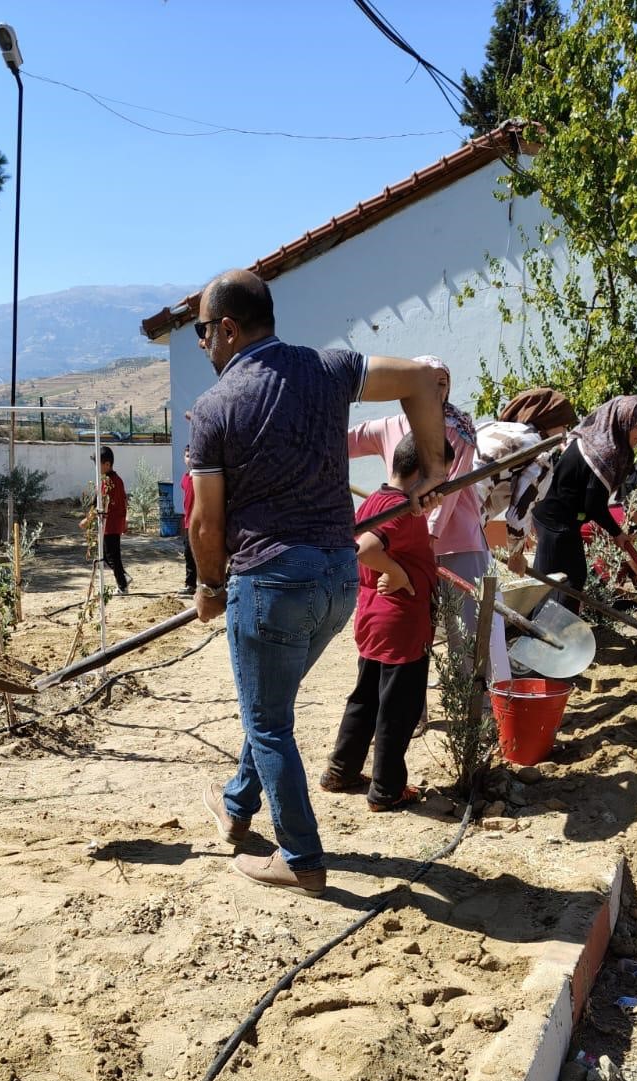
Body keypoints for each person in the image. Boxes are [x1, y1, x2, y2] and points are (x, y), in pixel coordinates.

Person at [187, 267, 447, 897]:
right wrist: (435, 468)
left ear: (228, 328)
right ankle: (237, 805)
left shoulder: (215, 407)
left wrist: (209, 586)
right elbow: (420, 379)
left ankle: (301, 857)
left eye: (202, 331)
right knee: (269, 704)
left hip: (271, 582)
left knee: (268, 722)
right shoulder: (328, 368)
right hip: (336, 579)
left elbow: (205, 521)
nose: (201, 344)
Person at [349, 355, 512, 688]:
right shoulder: (388, 426)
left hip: (456, 543)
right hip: (403, 540)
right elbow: (340, 443)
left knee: (468, 627)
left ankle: (481, 701)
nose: (436, 389)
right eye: (427, 381)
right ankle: (412, 706)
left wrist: (428, 538)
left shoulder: (457, 429)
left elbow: (449, 491)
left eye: (442, 382)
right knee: (410, 623)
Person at [321, 433, 452, 813]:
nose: (441, 487)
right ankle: (386, 789)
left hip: (375, 619)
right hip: (400, 625)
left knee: (365, 698)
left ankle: (341, 770)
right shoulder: (400, 510)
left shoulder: (377, 501)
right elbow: (364, 550)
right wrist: (397, 573)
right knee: (399, 709)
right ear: (423, 473)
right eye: (440, 477)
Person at [530, 395, 637, 614]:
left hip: (564, 519)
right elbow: (594, 504)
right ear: (623, 423)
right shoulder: (604, 452)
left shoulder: (609, 443)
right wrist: (617, 533)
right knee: (555, 582)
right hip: (554, 520)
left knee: (568, 578)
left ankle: (551, 626)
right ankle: (545, 628)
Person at [474, 387, 577, 574]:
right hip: (465, 522)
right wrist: (516, 555)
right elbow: (518, 513)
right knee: (481, 588)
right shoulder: (538, 451)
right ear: (550, 420)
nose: (564, 433)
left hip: (436, 509)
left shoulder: (491, 427)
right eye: (563, 425)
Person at [80, 446, 129, 594]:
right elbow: (124, 500)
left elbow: (98, 505)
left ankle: (123, 584)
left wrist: (87, 520)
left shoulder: (107, 482)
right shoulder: (117, 480)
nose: (96, 468)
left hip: (110, 524)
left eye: (98, 464)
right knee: (109, 555)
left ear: (107, 464)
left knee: (111, 556)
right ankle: (123, 577)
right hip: (114, 523)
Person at [179, 444, 197, 594]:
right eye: (187, 456)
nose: (189, 459)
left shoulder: (200, 478)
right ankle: (190, 584)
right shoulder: (185, 478)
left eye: (192, 455)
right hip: (187, 522)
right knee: (188, 553)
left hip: (200, 522)